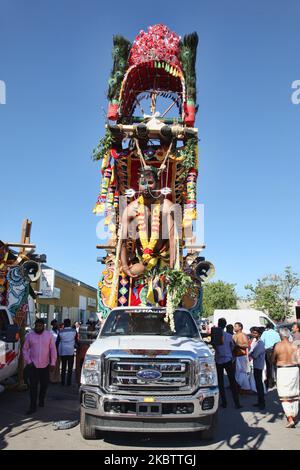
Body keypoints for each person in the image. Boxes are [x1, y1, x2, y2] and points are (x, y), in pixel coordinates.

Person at [22, 318, 57, 414]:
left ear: (43, 326)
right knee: (33, 386)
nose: (38, 327)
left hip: (45, 366)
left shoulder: (49, 335)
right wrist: (29, 361)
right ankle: (32, 406)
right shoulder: (30, 336)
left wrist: (53, 363)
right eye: (36, 326)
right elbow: (24, 349)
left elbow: (53, 350)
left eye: (40, 326)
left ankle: (41, 399)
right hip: (33, 366)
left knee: (44, 385)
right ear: (35, 326)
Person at [272, 327, 300, 428]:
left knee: (284, 394)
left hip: (283, 370)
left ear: (281, 335)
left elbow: (273, 359)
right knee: (294, 392)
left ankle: (290, 418)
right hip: (294, 369)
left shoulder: (278, 346)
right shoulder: (295, 346)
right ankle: (294, 415)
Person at [213, 318, 242, 409]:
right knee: (232, 381)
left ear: (218, 324)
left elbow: (214, 346)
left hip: (218, 360)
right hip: (228, 359)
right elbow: (233, 346)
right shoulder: (229, 336)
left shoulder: (215, 335)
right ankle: (236, 403)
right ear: (225, 325)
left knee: (220, 382)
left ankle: (224, 402)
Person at [248, 327, 266, 410]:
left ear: (259, 334)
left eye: (255, 333)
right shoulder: (257, 342)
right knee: (258, 384)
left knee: (259, 384)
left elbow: (254, 354)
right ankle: (260, 402)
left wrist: (250, 354)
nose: (253, 334)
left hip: (259, 365)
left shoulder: (260, 343)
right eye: (253, 333)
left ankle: (262, 403)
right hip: (256, 365)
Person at [57, 319, 77, 386]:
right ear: (70, 323)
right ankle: (69, 382)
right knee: (70, 368)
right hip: (71, 351)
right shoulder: (74, 331)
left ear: (64, 324)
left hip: (63, 351)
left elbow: (57, 341)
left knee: (63, 367)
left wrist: (56, 350)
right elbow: (76, 340)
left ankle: (62, 382)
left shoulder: (61, 332)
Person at [261, 322, 280, 389]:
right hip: (276, 350)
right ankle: (278, 382)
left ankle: (270, 384)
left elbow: (261, 341)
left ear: (267, 327)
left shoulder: (265, 333)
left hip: (267, 351)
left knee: (269, 367)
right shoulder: (276, 333)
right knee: (276, 367)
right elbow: (279, 342)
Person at [233, 322, 250, 392]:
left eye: (235, 326)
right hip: (235, 356)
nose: (234, 327)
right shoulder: (234, 335)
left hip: (242, 356)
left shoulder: (243, 335)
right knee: (237, 373)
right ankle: (239, 387)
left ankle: (245, 388)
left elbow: (247, 345)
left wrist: (238, 345)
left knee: (242, 372)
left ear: (240, 327)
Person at [49, 319, 60, 384]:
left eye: (57, 323)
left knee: (57, 364)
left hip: (58, 349)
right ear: (52, 325)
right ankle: (51, 378)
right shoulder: (50, 332)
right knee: (52, 363)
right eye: (55, 324)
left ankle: (57, 378)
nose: (56, 325)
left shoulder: (58, 331)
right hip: (52, 349)